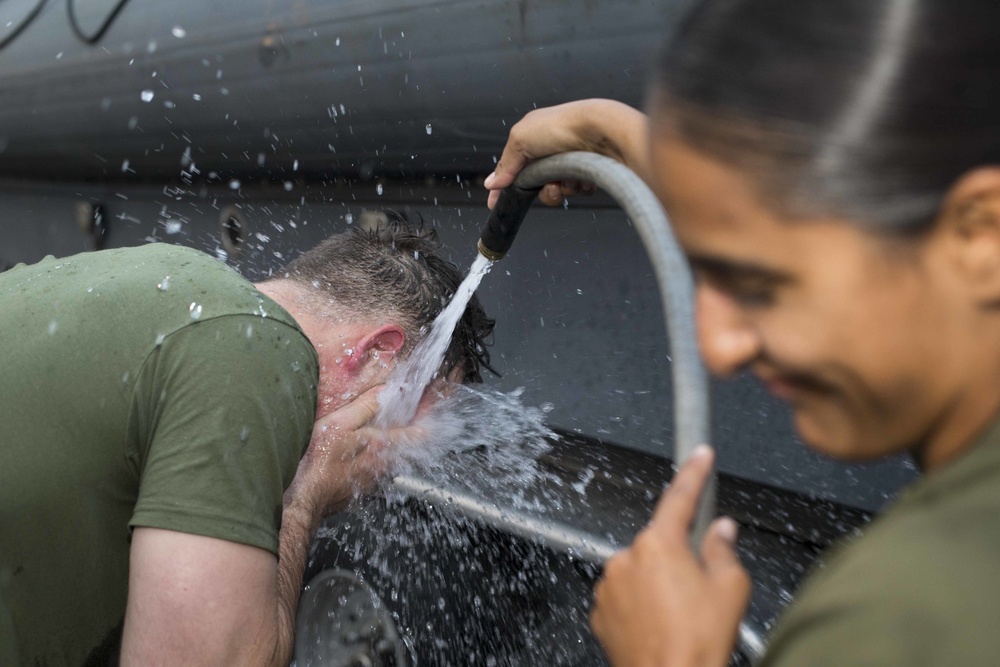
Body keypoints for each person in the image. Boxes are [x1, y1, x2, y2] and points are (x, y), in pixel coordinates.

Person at [485, 1, 1000, 665]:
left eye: (759, 285)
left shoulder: (894, 620)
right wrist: (615, 134)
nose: (719, 347)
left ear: (979, 237)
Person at [0, 215, 494, 666]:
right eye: (412, 414)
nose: (397, 450)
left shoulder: (167, 285)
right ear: (376, 352)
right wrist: (307, 495)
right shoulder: (254, 353)